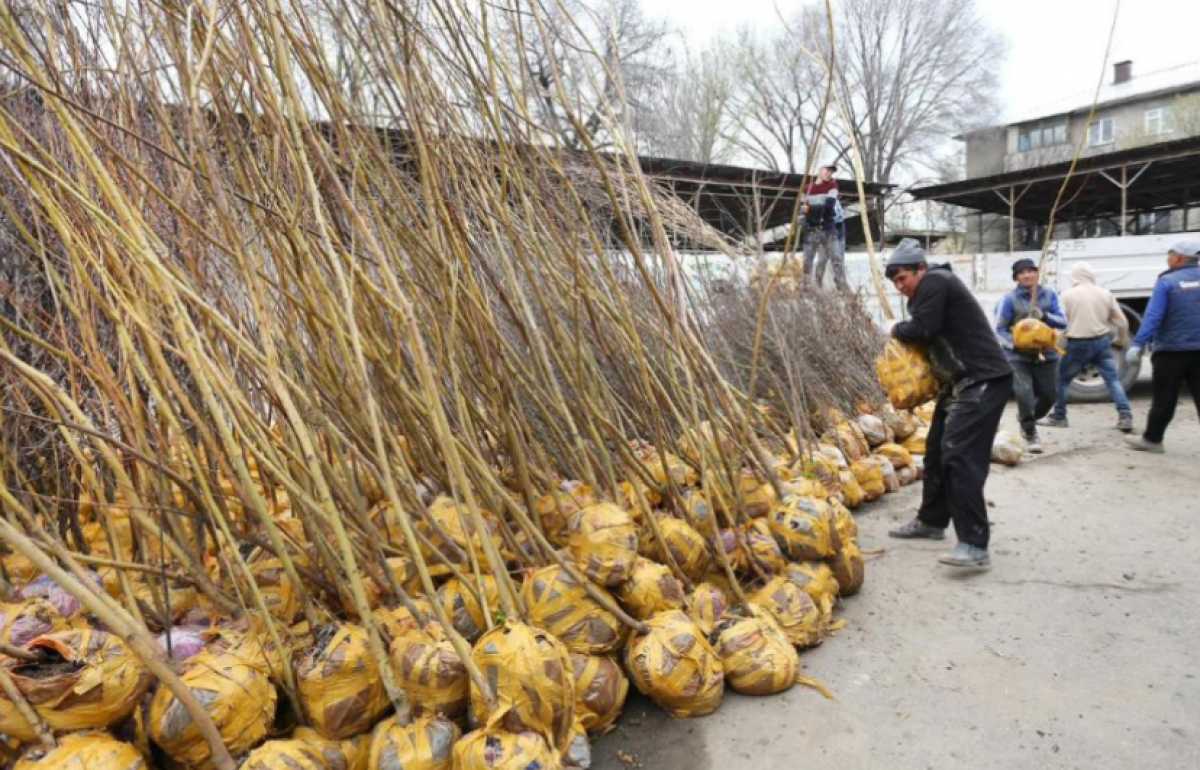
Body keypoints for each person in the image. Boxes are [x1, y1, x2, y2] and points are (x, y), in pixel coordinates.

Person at [884, 239, 1013, 569]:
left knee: (960, 455)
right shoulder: (931, 288)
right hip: (960, 383)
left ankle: (973, 543)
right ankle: (931, 521)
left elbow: (922, 329)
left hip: (983, 380)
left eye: (903, 278)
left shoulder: (936, 282)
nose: (901, 287)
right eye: (895, 282)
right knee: (937, 451)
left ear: (920, 269)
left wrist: (895, 328)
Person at [1124, 240, 1200, 452]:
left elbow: (1153, 316)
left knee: (1164, 400)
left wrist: (1137, 344)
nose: (1168, 259)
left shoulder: (1167, 281)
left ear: (1179, 258)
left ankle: (1152, 440)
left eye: (1170, 255)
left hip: (1171, 353)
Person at [1040, 262, 1133, 432]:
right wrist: (1121, 339)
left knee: (1062, 380)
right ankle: (1125, 416)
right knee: (1112, 380)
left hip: (1077, 344)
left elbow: (1061, 323)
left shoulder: (1067, 295)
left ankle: (1059, 416)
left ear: (1074, 277)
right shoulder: (1105, 294)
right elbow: (1122, 321)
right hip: (1102, 342)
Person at [993, 258, 1067, 453]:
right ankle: (1029, 431)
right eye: (1021, 273)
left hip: (1046, 353)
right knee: (1024, 394)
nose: (1027, 275)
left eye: (1030, 271)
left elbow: (1063, 322)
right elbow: (999, 329)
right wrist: (1015, 343)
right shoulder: (1009, 299)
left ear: (1037, 273)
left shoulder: (1049, 295)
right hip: (1018, 356)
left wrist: (1045, 317)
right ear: (1016, 278)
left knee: (1050, 395)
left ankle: (1028, 417)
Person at [802, 164, 848, 291]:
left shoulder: (832, 185)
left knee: (837, 258)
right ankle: (807, 288)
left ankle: (842, 287)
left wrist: (811, 210)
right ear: (819, 170)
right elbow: (803, 209)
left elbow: (829, 206)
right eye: (827, 170)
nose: (829, 174)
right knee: (808, 260)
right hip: (810, 230)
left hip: (828, 228)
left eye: (831, 172)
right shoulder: (807, 189)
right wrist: (809, 212)